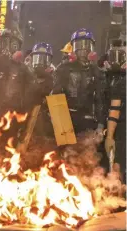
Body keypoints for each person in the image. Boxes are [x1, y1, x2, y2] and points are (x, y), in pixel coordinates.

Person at [53, 28, 106, 135]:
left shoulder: (97, 71)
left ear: (91, 49)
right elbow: (56, 95)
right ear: (73, 49)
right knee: (66, 151)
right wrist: (60, 126)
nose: (83, 50)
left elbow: (100, 100)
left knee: (87, 150)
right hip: (67, 118)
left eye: (86, 45)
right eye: (79, 46)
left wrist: (100, 125)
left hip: (89, 120)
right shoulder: (63, 68)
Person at [103, 39, 126, 183]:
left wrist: (110, 136)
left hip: (120, 128)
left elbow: (115, 108)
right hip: (113, 126)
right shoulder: (103, 77)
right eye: (113, 56)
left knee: (118, 165)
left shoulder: (120, 81)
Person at [24, 42, 55, 138]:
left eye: (44, 59)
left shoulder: (54, 80)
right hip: (26, 119)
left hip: (45, 124)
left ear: (49, 62)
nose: (40, 63)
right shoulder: (26, 77)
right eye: (37, 58)